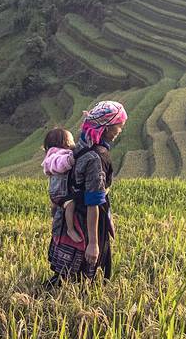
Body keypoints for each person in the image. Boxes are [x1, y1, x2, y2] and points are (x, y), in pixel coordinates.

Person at [50, 100, 128, 283]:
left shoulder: (82, 147)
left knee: (68, 274)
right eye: (119, 126)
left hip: (74, 215)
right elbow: (94, 201)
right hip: (87, 221)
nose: (120, 130)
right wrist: (93, 244)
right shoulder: (97, 157)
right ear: (107, 128)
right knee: (89, 277)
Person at [42, 125, 83, 255]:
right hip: (61, 193)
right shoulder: (58, 155)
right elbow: (61, 163)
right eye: (71, 141)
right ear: (64, 143)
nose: (73, 144)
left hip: (56, 194)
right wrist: (70, 159)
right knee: (71, 204)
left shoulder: (53, 154)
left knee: (58, 211)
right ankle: (70, 229)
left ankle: (56, 218)